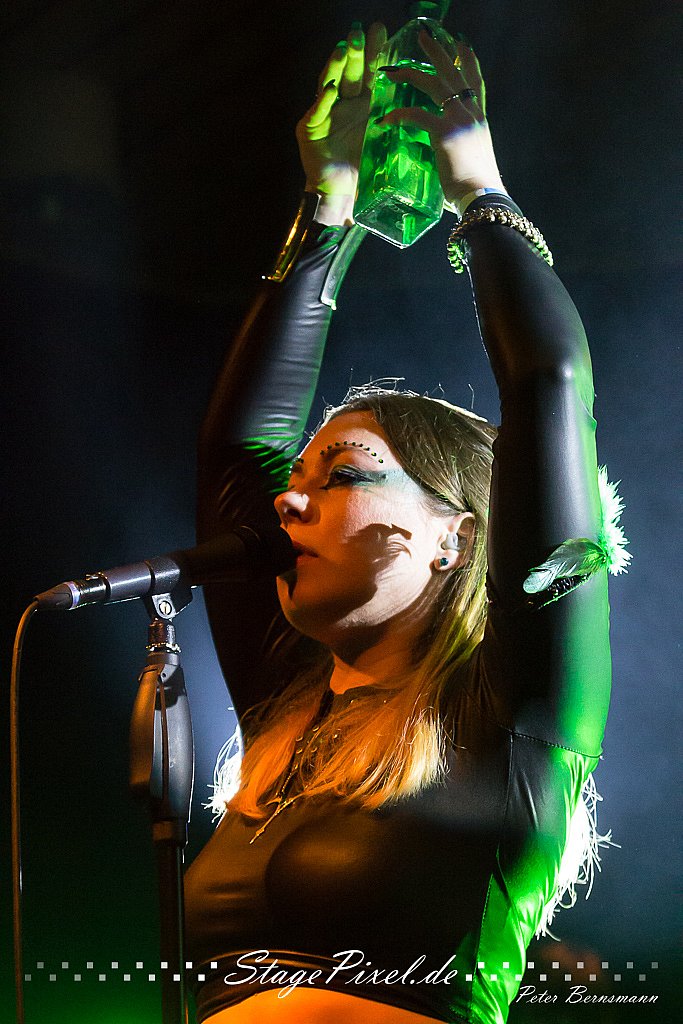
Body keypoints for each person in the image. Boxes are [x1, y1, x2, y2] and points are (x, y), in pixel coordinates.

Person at [184, 20, 625, 1024]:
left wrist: (479, 191)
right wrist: (325, 209)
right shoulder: (286, 713)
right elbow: (236, 454)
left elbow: (548, 387)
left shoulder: (514, 720)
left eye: (343, 474)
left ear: (454, 536)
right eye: (298, 477)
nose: (286, 500)